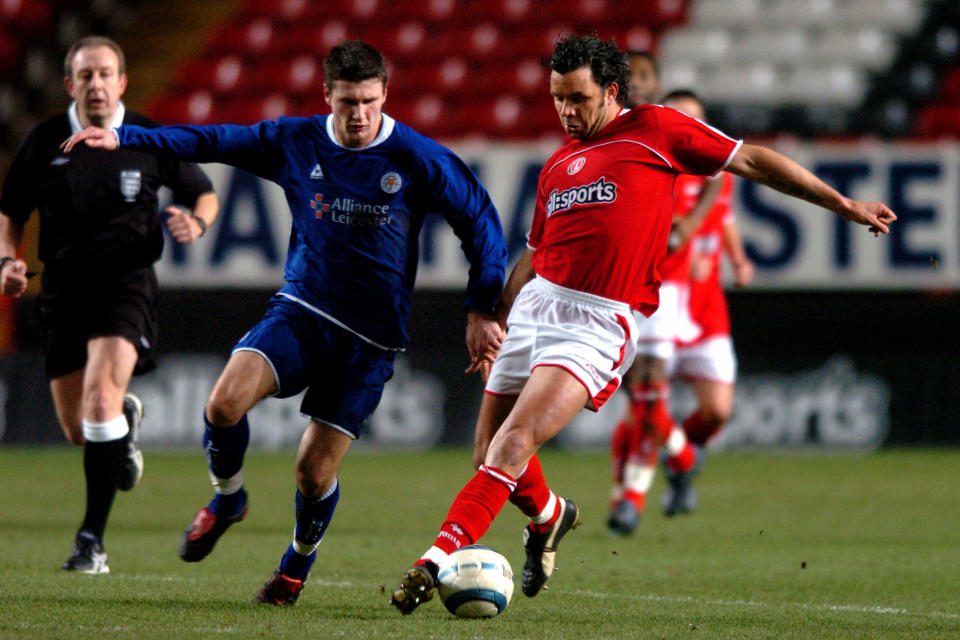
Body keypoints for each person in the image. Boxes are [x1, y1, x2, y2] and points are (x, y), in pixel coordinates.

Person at [388, 35, 895, 614]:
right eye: (557, 99)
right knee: (487, 454)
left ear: (610, 91)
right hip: (535, 308)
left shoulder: (658, 129)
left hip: (597, 321)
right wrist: (495, 316)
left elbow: (752, 160)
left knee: (512, 444)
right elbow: (534, 252)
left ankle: (433, 559)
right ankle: (553, 516)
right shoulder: (558, 164)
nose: (566, 111)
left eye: (577, 98)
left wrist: (845, 205)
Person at [62, 40, 507, 605]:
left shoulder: (417, 158)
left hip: (369, 343)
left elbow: (481, 222)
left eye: (369, 101)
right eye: (347, 102)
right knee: (222, 404)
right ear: (327, 95)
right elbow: (211, 140)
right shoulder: (296, 140)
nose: (359, 115)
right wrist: (127, 137)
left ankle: (296, 564)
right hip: (302, 310)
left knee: (312, 473)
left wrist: (480, 306)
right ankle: (228, 498)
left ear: (385, 95)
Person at [0, 36, 219, 574]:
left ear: (121, 81)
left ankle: (89, 542)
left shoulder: (146, 137)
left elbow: (203, 192)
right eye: (85, 75)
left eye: (105, 74)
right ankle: (124, 416)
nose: (95, 84)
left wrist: (199, 221)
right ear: (69, 83)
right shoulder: (44, 141)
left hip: (126, 286)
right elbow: (11, 212)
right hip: (62, 291)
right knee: (82, 429)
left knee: (97, 408)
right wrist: (7, 260)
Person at [610, 90, 756, 533]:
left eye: (700, 120)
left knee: (716, 412)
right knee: (646, 404)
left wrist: (737, 257)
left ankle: (678, 460)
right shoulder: (653, 172)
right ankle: (630, 498)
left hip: (706, 309)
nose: (694, 130)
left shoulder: (719, 174)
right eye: (682, 119)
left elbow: (724, 217)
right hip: (662, 297)